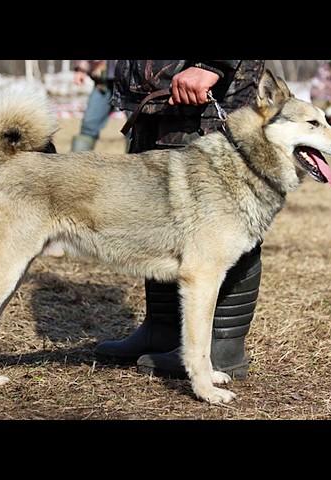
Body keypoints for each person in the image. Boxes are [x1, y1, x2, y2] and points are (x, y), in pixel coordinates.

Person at [95, 60, 265, 380]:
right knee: (158, 216)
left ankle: (222, 344)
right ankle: (163, 328)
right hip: (156, 97)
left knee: (224, 226)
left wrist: (211, 64)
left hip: (210, 93)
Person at [71, 60, 119, 151]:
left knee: (135, 130)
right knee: (88, 127)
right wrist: (81, 69)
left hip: (132, 84)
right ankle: (77, 162)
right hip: (102, 82)